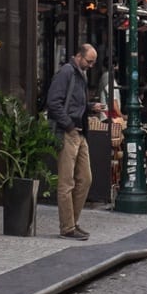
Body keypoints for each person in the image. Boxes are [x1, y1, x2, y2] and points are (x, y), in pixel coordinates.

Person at [45, 45, 101, 241]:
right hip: (68, 132)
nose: (91, 65)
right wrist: (68, 125)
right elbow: (53, 102)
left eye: (93, 62)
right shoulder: (67, 72)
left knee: (85, 178)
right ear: (78, 56)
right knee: (66, 182)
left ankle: (73, 222)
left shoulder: (80, 74)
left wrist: (90, 106)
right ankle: (67, 227)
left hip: (79, 132)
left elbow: (74, 103)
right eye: (89, 61)